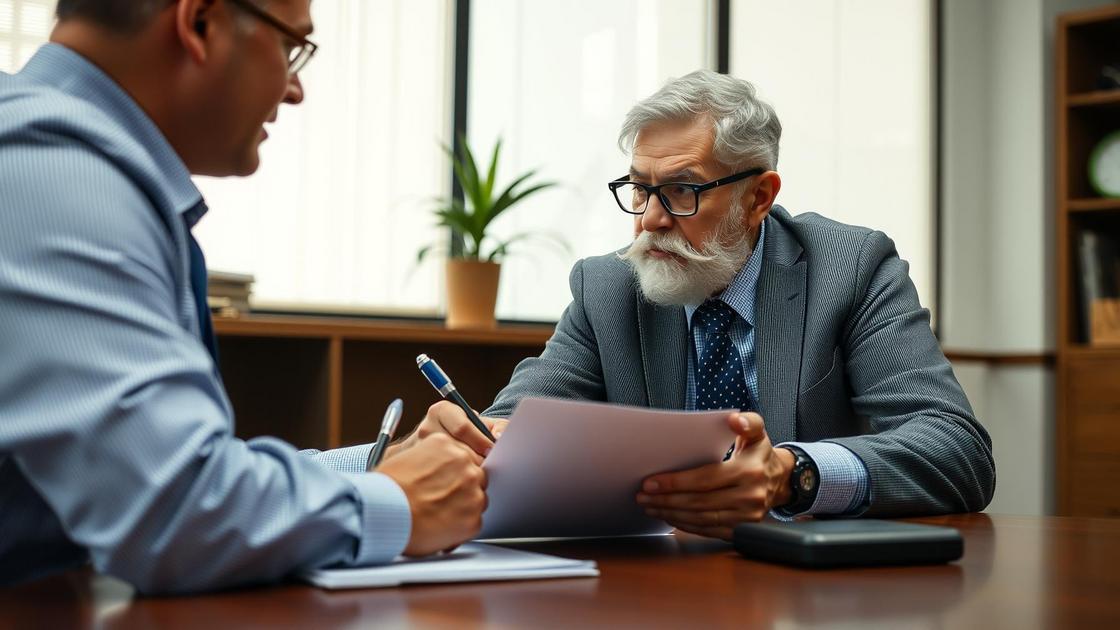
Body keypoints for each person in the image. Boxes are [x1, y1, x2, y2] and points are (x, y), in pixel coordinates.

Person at [0, 0, 491, 593]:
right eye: (290, 47)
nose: (295, 89)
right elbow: (174, 513)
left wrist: (382, 466)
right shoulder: (56, 175)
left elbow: (172, 472)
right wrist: (388, 503)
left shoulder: (64, 160)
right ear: (200, 23)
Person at [481, 70, 995, 539]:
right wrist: (472, 438)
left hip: (811, 593)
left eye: (682, 190)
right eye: (640, 189)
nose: (651, 220)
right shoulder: (608, 287)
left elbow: (957, 452)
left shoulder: (851, 269)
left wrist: (794, 474)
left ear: (758, 199)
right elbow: (509, 428)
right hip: (651, 586)